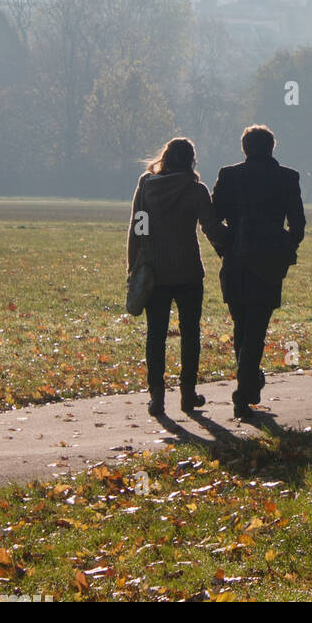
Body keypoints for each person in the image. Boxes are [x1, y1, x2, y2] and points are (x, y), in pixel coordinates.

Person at [127, 137, 228, 417]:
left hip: (155, 272)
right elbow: (211, 228)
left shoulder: (146, 186)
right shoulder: (195, 190)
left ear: (166, 157)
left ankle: (156, 397)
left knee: (155, 336)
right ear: (191, 160)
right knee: (190, 335)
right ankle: (187, 394)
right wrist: (233, 247)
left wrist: (134, 265)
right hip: (187, 272)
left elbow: (139, 226)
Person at [211, 125, 306, 421]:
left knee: (242, 326)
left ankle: (248, 384)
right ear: (272, 147)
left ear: (244, 148)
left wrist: (226, 246)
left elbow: (214, 219)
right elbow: (298, 224)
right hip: (268, 263)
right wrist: (283, 247)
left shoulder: (229, 175)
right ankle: (245, 388)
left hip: (236, 260)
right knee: (256, 327)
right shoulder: (288, 178)